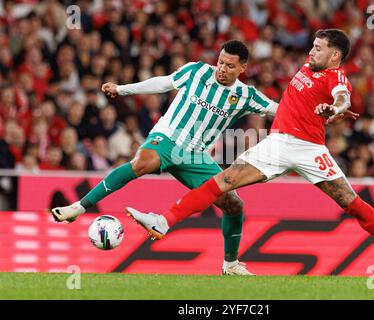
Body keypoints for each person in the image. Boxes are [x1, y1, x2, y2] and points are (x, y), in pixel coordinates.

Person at [126, 29, 374, 278]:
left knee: (350, 203)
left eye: (319, 48)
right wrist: (331, 110)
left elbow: (343, 96)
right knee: (223, 182)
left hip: (309, 148)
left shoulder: (336, 75)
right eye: (313, 46)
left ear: (335, 56)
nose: (312, 51)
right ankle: (163, 221)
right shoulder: (310, 65)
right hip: (276, 144)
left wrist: (336, 108)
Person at [51, 40, 280, 276]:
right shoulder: (197, 71)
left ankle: (230, 265)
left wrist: (316, 115)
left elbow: (279, 111)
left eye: (230, 66)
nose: (222, 68)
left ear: (243, 67)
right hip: (168, 139)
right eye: (220, 62)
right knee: (143, 162)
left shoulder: (246, 95)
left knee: (234, 205)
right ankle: (79, 207)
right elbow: (163, 83)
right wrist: (122, 89)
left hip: (196, 156)